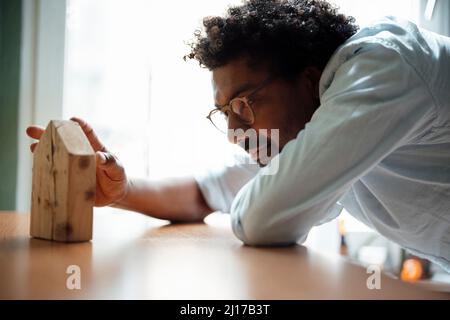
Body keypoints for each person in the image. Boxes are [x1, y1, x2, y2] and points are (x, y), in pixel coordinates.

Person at [27, 0, 450, 271]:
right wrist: (121, 190)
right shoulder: (309, 129)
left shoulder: (383, 66)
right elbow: (207, 192)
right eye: (224, 112)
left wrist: (262, 196)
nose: (233, 132)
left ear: (308, 80)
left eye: (243, 105)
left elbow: (261, 219)